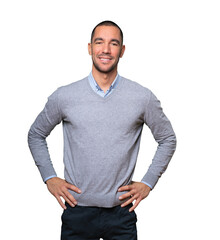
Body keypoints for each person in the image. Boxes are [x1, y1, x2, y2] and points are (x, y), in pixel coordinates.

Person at [28, 20, 176, 240]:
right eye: (99, 42)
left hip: (121, 213)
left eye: (113, 43)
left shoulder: (142, 97)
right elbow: (36, 134)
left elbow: (167, 139)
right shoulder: (65, 96)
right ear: (89, 48)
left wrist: (148, 182)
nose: (106, 50)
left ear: (122, 50)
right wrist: (50, 177)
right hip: (77, 211)